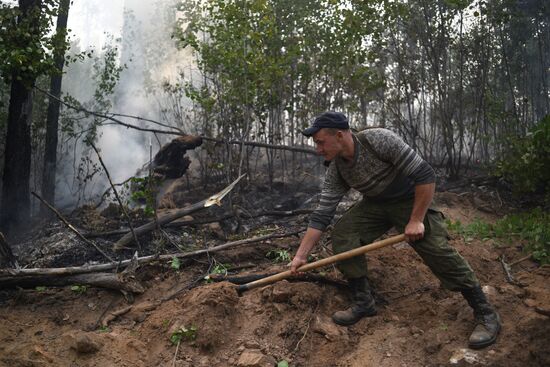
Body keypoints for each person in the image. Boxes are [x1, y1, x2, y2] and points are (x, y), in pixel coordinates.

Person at [290, 111, 501, 349]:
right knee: (344, 233)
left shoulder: (378, 140)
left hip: (411, 199)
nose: (318, 149)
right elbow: (322, 214)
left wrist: (416, 220)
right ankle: (363, 301)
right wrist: (300, 256)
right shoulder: (337, 169)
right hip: (376, 204)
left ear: (339, 135)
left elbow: (425, 175)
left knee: (434, 247)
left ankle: (485, 313)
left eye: (320, 142)